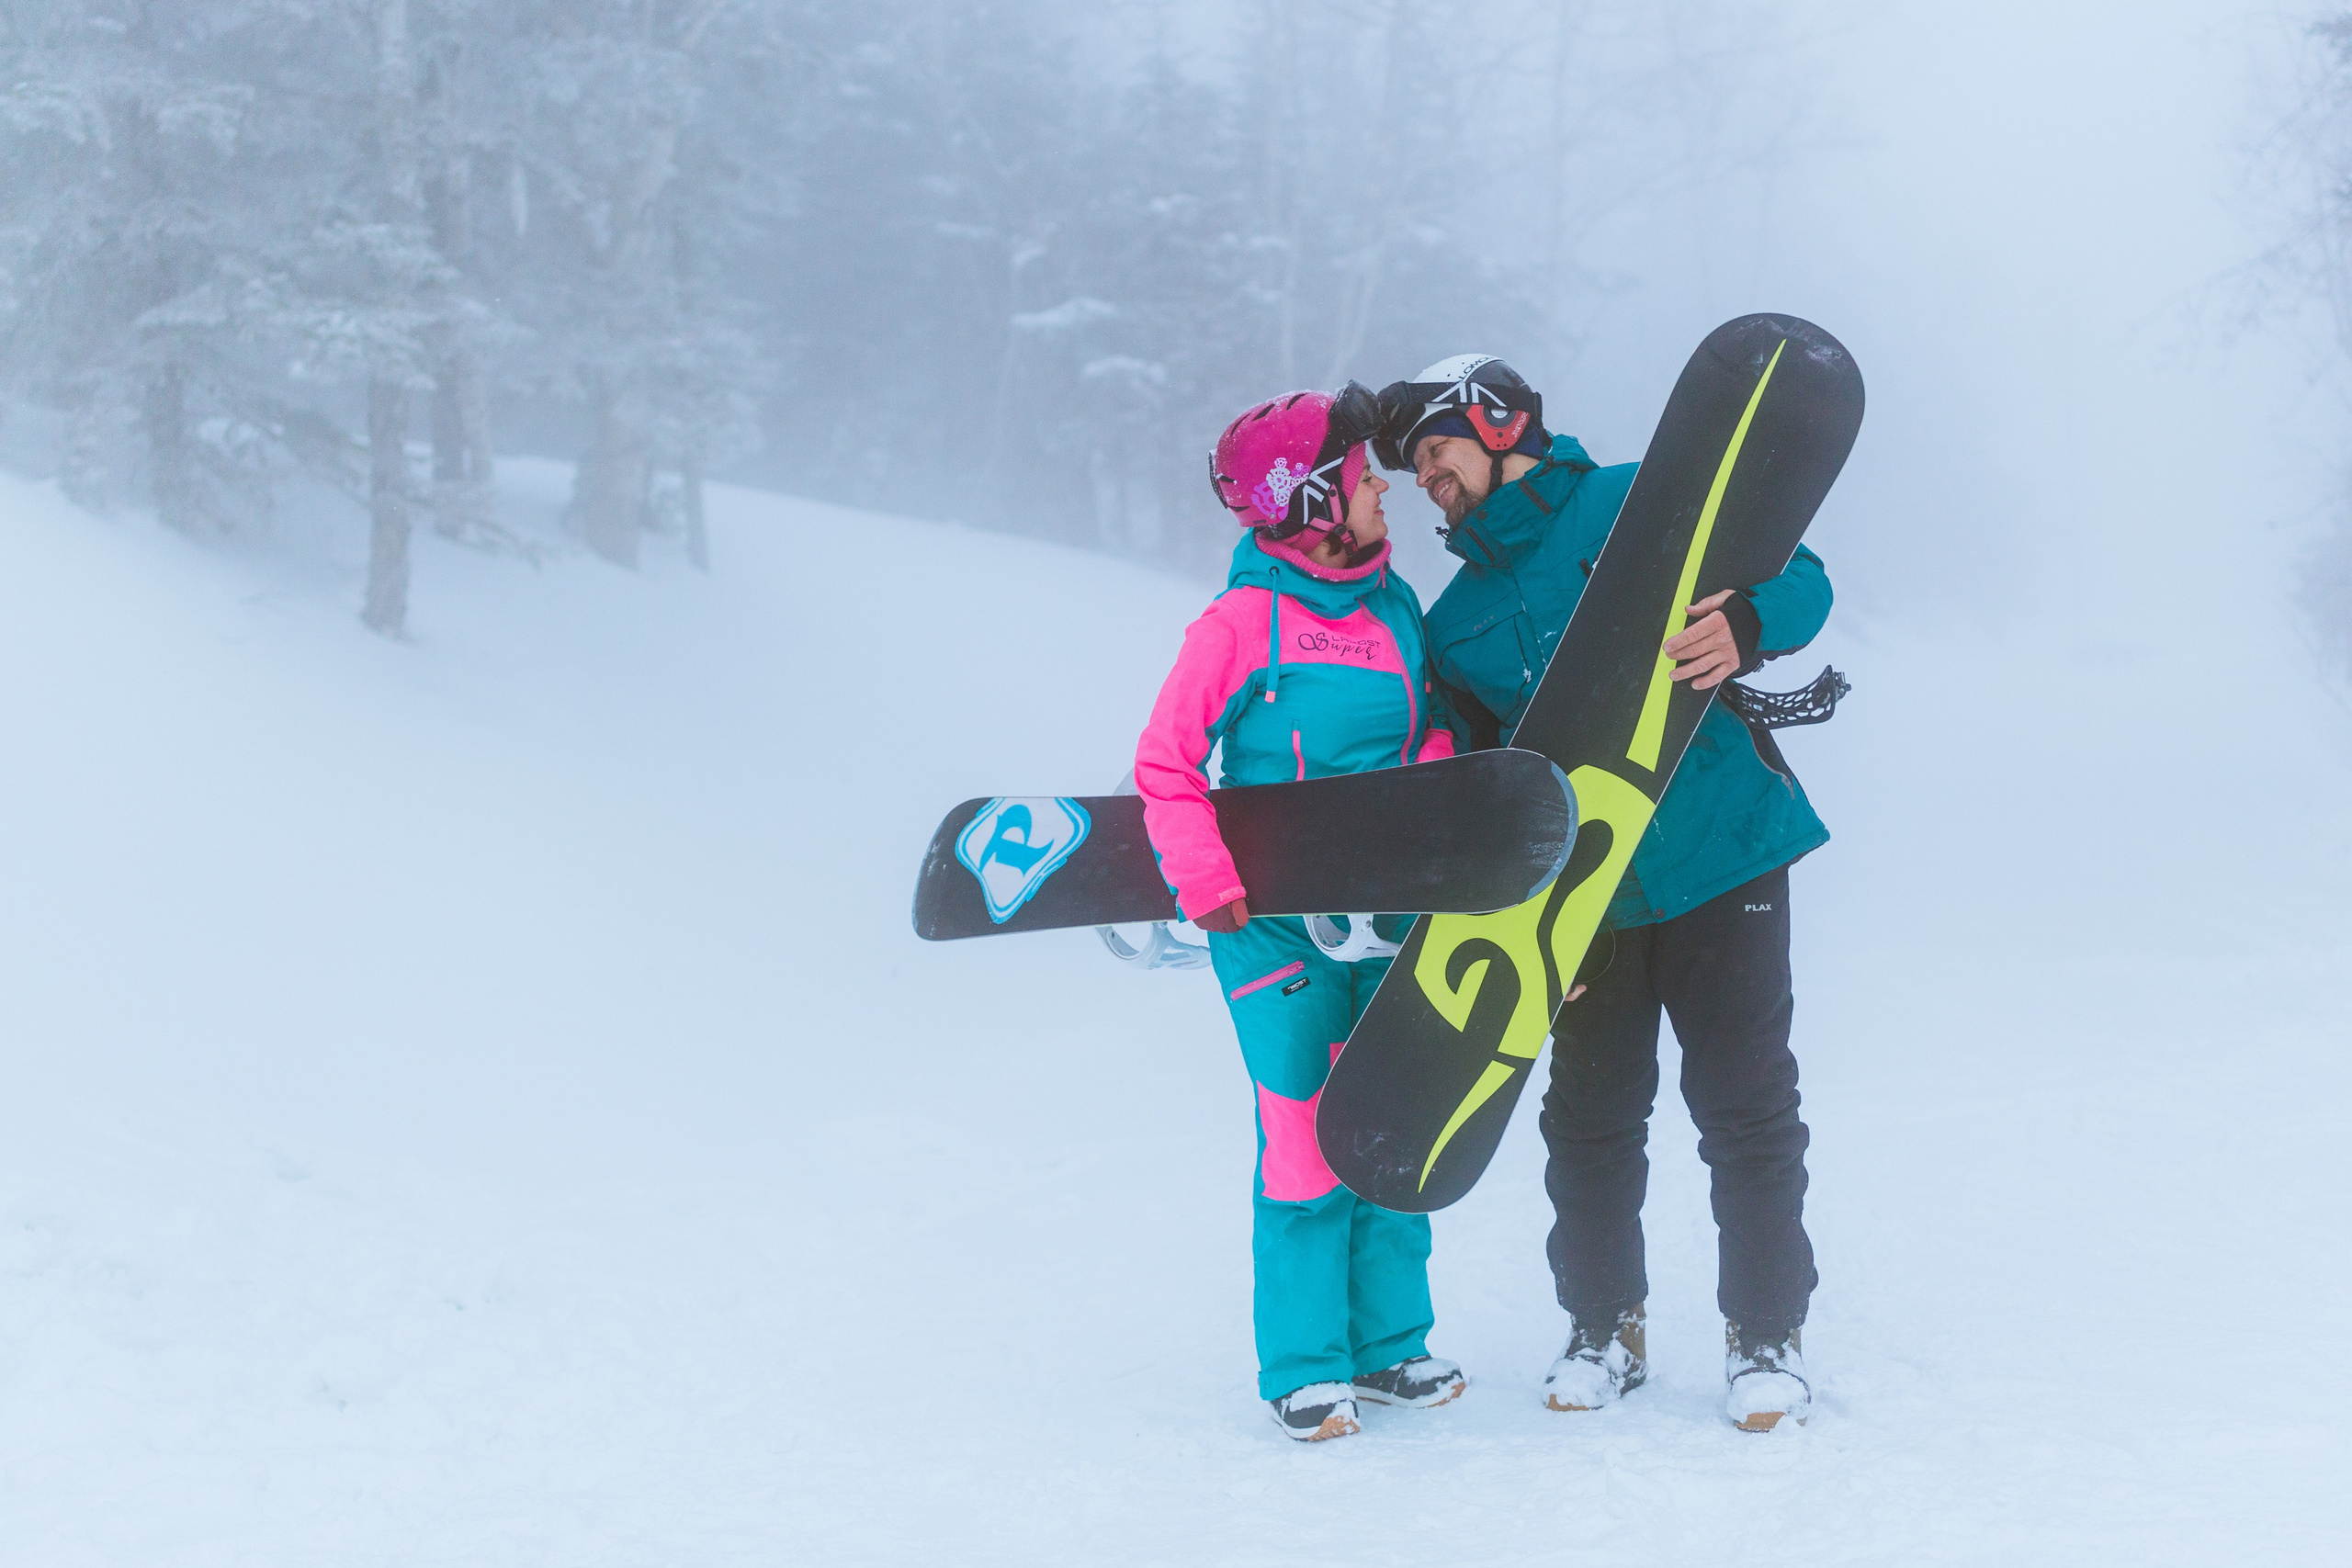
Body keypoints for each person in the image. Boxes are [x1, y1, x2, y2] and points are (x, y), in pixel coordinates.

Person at [1378, 354, 1837, 1432]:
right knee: (1586, 1120)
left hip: (1723, 852)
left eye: (1435, 457)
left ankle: (1764, 1337)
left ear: (1494, 425)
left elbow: (1804, 575)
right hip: (1583, 902)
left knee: (1746, 1107)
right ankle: (1602, 1327)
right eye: (1412, 475)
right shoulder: (1455, 621)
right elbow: (1483, 786)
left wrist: (1749, 626)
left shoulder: (1642, 496)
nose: (1426, 486)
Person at [1134, 387, 1469, 1442]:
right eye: (1364, 473)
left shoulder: (1395, 609)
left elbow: (1418, 733)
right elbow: (1165, 765)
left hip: (1392, 920)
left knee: (1392, 1126)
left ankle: (1390, 1349)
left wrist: (1438, 779)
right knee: (1302, 1140)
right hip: (1273, 929)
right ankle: (1305, 1365)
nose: (1383, 486)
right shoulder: (1238, 624)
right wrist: (1204, 881)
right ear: (1315, 499)